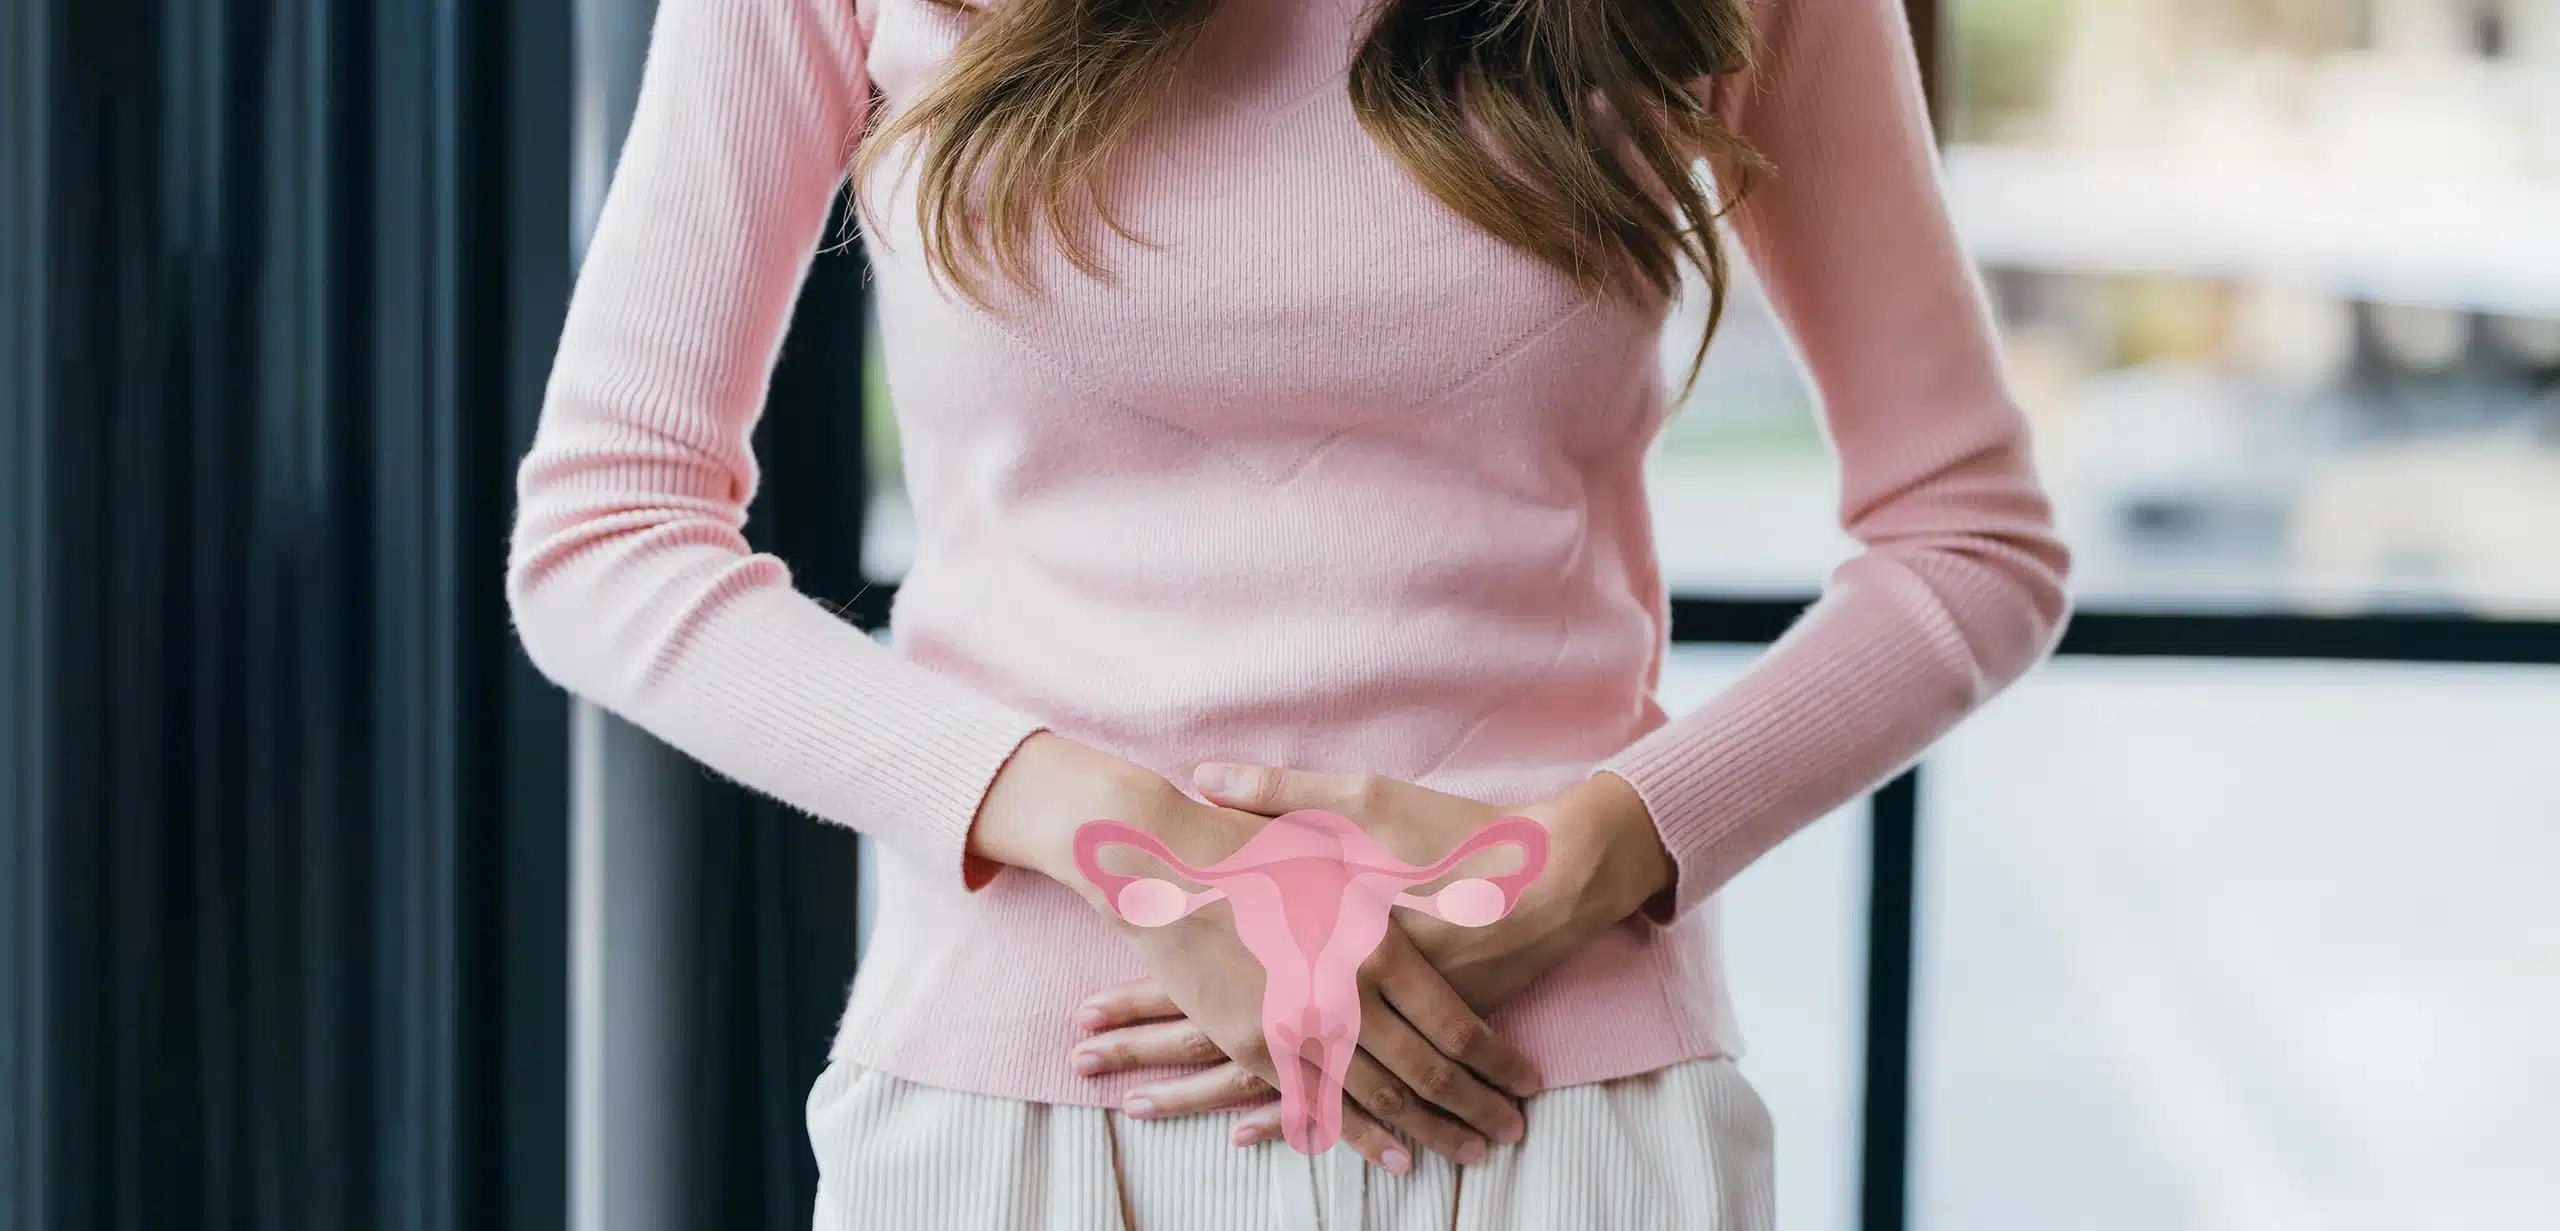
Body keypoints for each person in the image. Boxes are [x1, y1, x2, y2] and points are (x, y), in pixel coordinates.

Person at [505, 0, 2073, 1225]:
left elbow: (1974, 543)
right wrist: (1126, 843)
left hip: (1561, 1102)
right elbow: (607, 530)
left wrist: (1586, 858)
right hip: (1016, 1118)